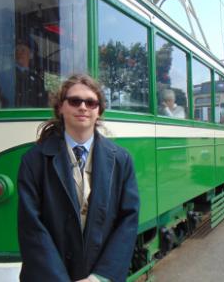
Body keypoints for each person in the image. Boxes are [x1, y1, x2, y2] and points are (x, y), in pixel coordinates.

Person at [17, 74, 140, 282]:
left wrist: (100, 277)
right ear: (61, 108)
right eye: (75, 101)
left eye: (91, 102)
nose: (83, 107)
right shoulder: (34, 160)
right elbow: (31, 227)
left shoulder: (121, 160)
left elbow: (127, 221)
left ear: (98, 111)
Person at [0, 41, 47, 107]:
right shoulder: (4, 76)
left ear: (31, 55)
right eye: (16, 50)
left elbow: (42, 103)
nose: (19, 53)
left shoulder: (37, 79)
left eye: (23, 50)